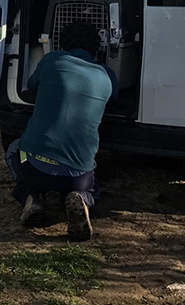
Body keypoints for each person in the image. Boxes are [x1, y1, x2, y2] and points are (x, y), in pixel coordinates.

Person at [6, 20, 118, 242]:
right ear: (97, 48)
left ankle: (31, 196)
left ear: (62, 44)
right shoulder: (107, 76)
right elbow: (115, 98)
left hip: (33, 167)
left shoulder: (52, 61)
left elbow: (31, 84)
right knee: (91, 182)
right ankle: (82, 198)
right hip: (76, 175)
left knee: (13, 149)